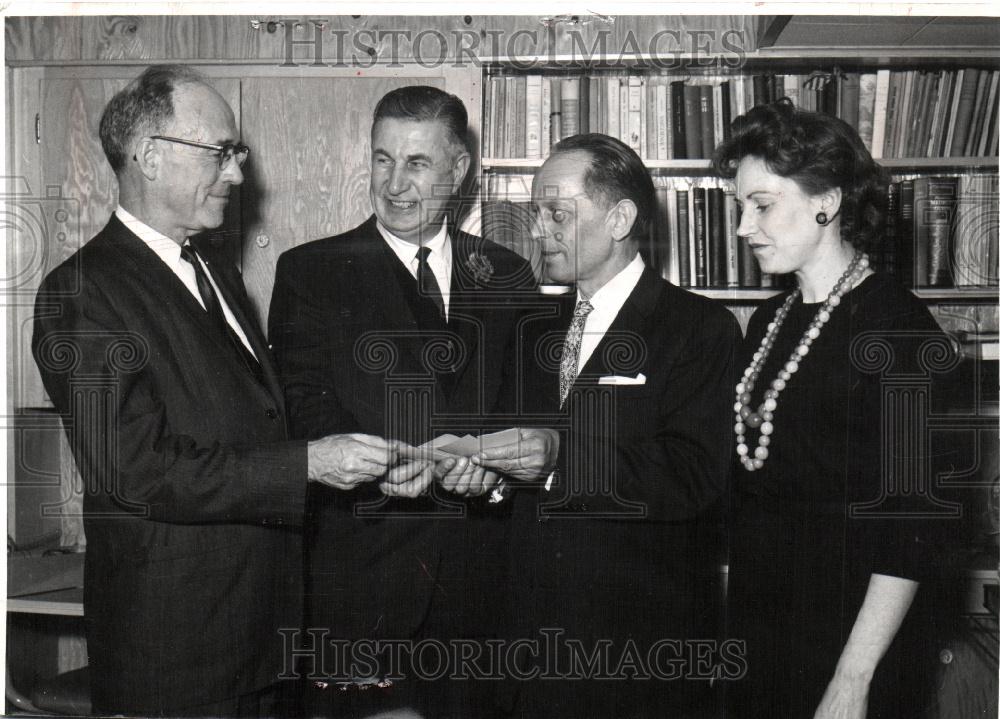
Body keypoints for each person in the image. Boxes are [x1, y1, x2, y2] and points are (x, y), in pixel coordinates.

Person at [30, 64, 412, 717]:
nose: (237, 173)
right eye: (220, 152)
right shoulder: (84, 292)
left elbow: (252, 426)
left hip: (264, 639)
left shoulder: (214, 270)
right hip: (181, 657)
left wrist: (359, 467)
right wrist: (311, 462)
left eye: (237, 153)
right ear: (150, 157)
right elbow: (135, 471)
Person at [267, 85, 543, 717]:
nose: (394, 183)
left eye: (417, 163)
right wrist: (384, 467)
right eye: (383, 159)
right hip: (361, 586)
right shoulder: (311, 270)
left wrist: (492, 469)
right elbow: (302, 408)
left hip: (481, 593)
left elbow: (528, 414)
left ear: (459, 169)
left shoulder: (509, 273)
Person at [472, 133, 740, 717]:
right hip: (526, 654)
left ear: (620, 218)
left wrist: (558, 459)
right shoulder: (533, 328)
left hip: (636, 658)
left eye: (555, 214)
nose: (537, 232)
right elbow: (510, 449)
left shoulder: (700, 328)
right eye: (535, 213)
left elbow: (695, 477)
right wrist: (483, 473)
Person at [714, 98, 959, 718]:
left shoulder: (900, 331)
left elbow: (915, 529)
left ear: (828, 201)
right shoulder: (768, 320)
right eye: (742, 206)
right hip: (763, 633)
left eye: (762, 204)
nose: (744, 227)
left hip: (855, 645)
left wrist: (854, 677)